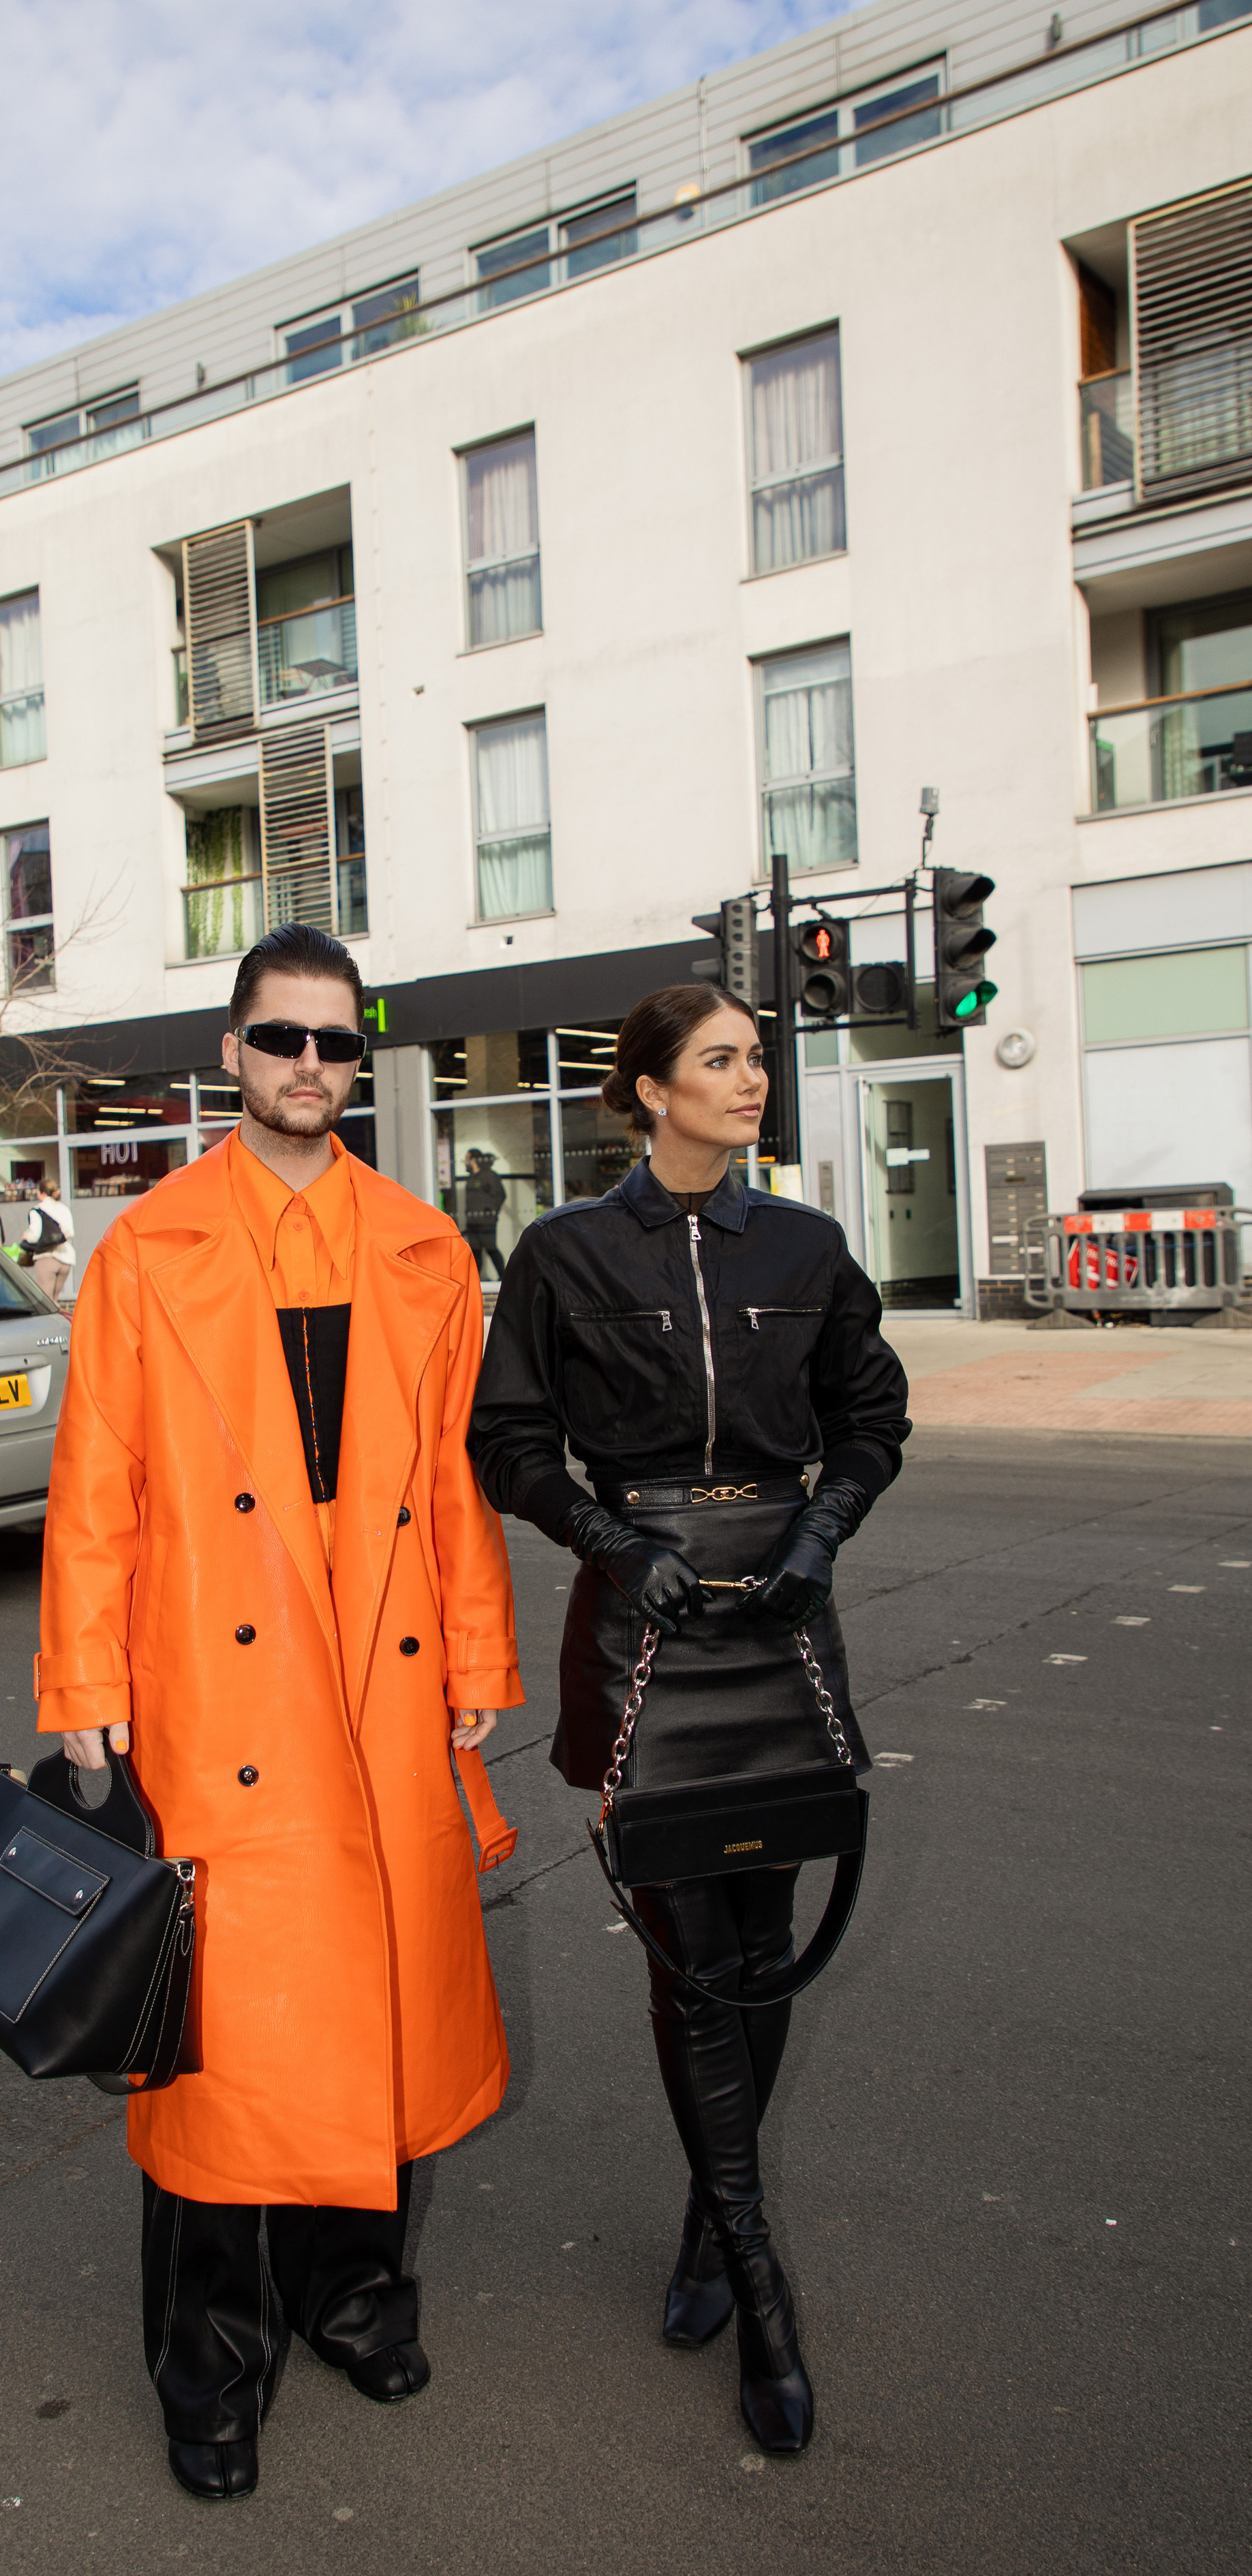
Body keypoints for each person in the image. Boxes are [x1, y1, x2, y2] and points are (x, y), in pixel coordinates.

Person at [35, 921, 523, 2504]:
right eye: (280, 1037)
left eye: (332, 1041)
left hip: (377, 1690)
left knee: (367, 2019)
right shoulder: (147, 1250)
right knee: (227, 2053)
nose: (308, 1064)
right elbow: (92, 1494)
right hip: (217, 1693)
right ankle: (209, 2360)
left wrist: (469, 1668)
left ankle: (350, 2294)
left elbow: (450, 1487)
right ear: (228, 1055)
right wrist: (84, 1700)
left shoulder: (423, 1249)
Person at [468, 981, 910, 2460]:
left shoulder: (806, 1247)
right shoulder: (563, 1254)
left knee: (764, 1945)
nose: (751, 1083)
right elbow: (508, 1441)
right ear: (648, 1090)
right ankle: (754, 2275)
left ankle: (709, 2219)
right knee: (691, 1955)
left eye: (757, 1063)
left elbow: (870, 1413)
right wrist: (607, 1539)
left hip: (780, 1611)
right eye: (720, 1062)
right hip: (644, 1618)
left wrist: (818, 1532)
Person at [20, 1176, 76, 1302]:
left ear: (42, 1193)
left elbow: (34, 1236)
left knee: (46, 1302)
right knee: (54, 1301)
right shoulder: (64, 1208)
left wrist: (26, 1236)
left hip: (47, 1258)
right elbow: (70, 1232)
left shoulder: (37, 1210)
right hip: (67, 1259)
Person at [461, 1148, 508, 1283]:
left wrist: (490, 1211)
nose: (465, 1163)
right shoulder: (472, 1178)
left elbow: (501, 1195)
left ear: (473, 1161)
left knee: (491, 1249)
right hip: (473, 1222)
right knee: (475, 1252)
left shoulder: (489, 1176)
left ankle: (504, 1278)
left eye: (467, 1159)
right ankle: (476, 1282)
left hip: (486, 1222)